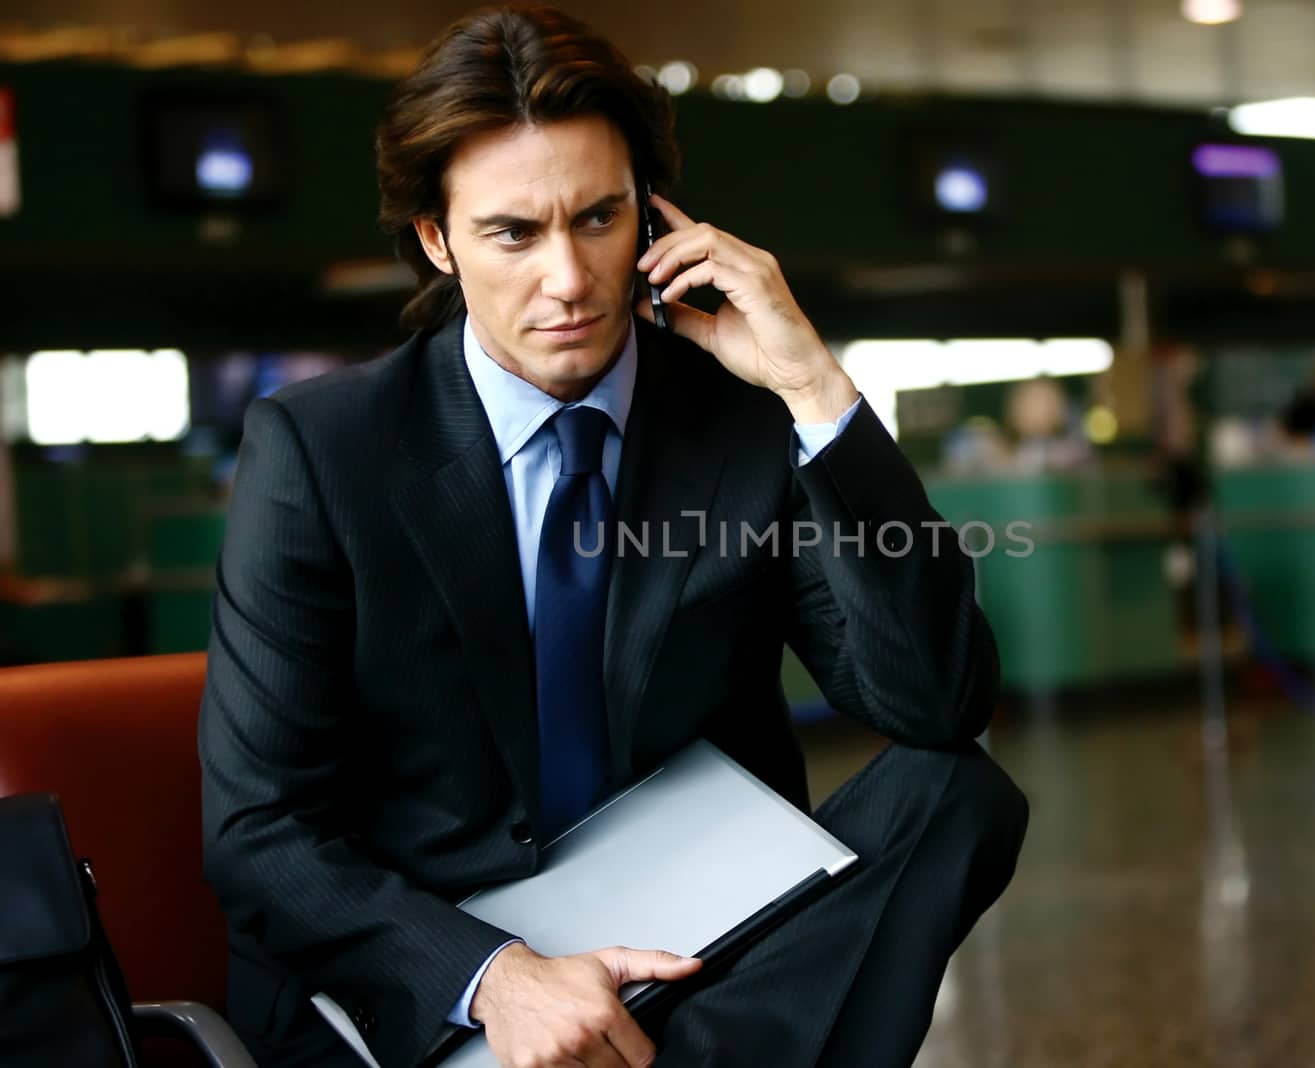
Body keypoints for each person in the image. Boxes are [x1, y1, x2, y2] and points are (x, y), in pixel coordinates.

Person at [197, 6, 1028, 1068]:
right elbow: (260, 832)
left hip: (690, 911)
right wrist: (494, 978)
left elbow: (933, 701)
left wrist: (812, 388)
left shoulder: (733, 414)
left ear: (653, 218)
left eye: (598, 219)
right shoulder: (322, 452)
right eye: (512, 233)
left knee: (957, 791)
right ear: (436, 239)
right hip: (445, 944)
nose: (568, 280)